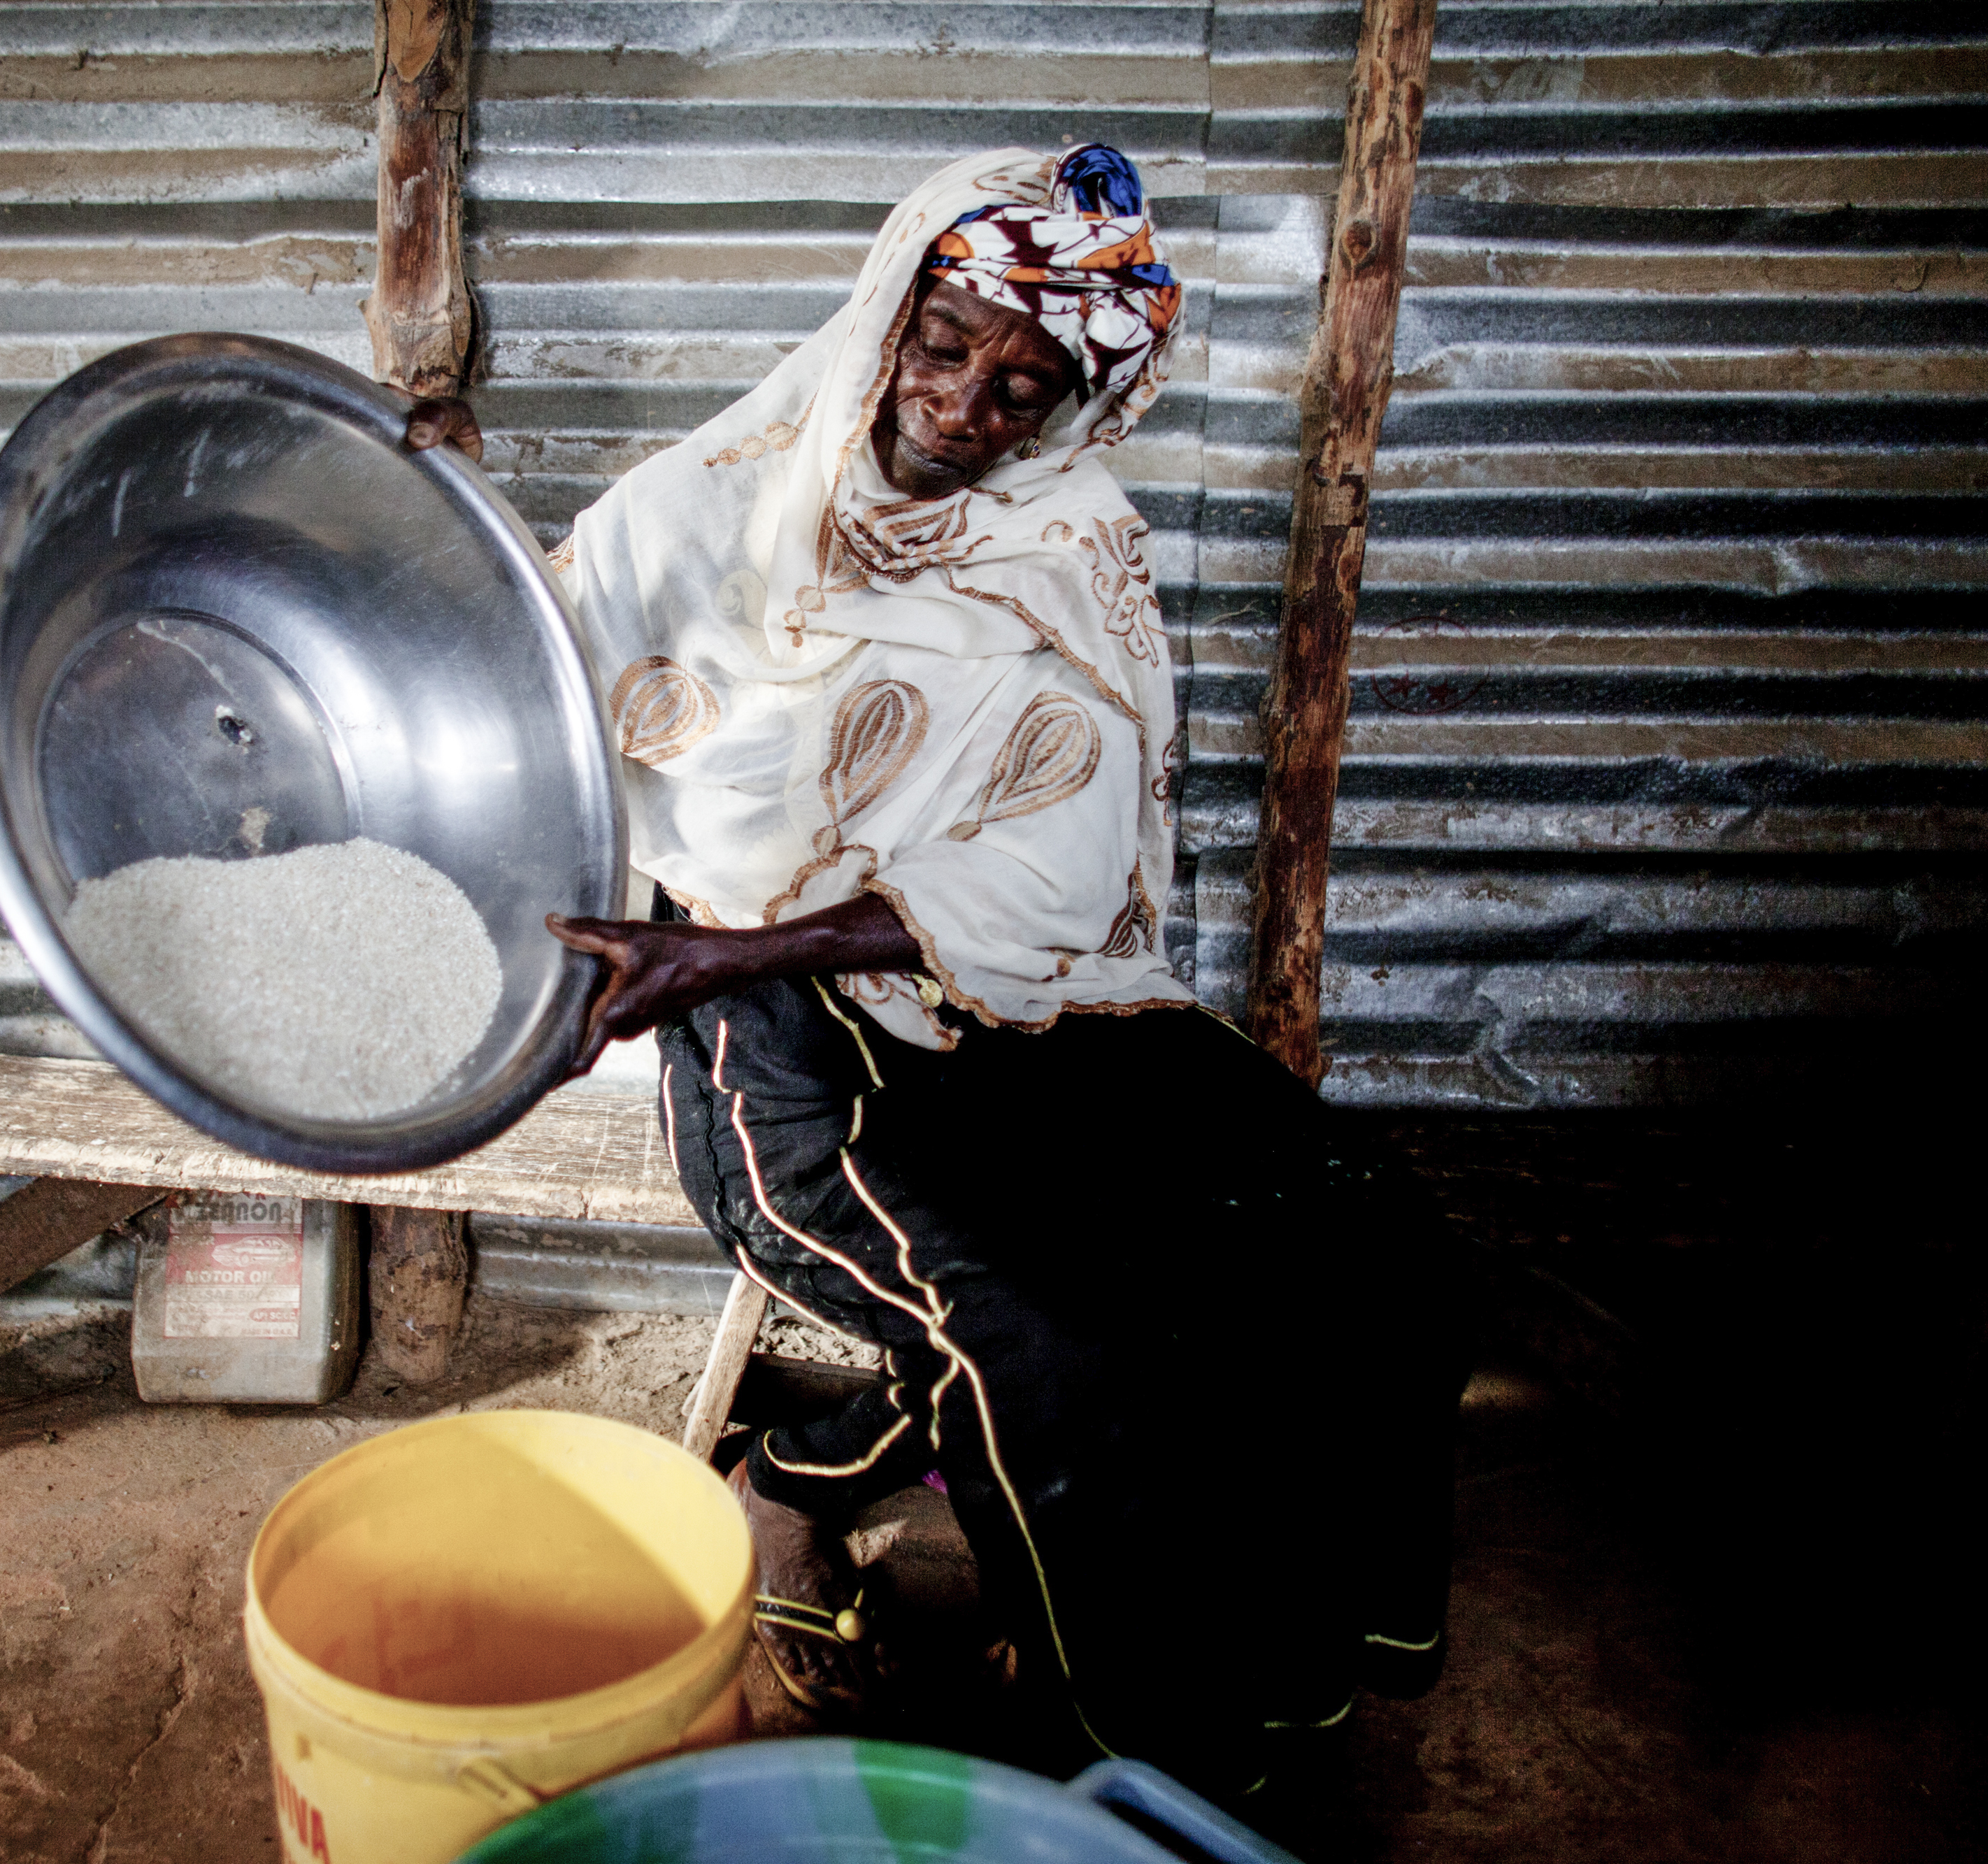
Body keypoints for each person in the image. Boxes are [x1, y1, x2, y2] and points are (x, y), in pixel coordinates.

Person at [404, 145, 1466, 1801]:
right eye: (950, 341)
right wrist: (426, 517)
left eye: (1025, 384)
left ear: (1068, 409)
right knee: (1040, 1333)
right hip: (762, 1033)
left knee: (1349, 1241)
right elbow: (508, 693)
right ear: (891, 309)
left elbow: (1059, 860)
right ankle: (1133, 1748)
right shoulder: (693, 513)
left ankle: (1178, 1636)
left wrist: (781, 925)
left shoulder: (1071, 543)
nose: (970, 402)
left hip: (1035, 1002)